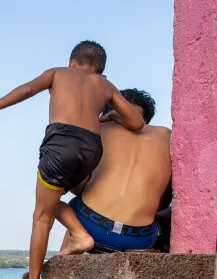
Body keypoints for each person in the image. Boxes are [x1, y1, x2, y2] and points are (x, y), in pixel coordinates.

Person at [0, 40, 145, 279]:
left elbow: (27, 90)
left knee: (41, 216)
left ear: (72, 62)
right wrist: (111, 116)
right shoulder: (106, 85)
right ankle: (80, 234)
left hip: (61, 144)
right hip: (91, 149)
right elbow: (137, 122)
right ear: (101, 69)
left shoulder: (58, 72)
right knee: (54, 201)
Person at [57, 88, 173, 255]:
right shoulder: (166, 135)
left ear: (107, 113)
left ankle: (61, 267)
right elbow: (163, 202)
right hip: (142, 238)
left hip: (94, 229)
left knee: (59, 201)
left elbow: (78, 186)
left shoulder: (98, 129)